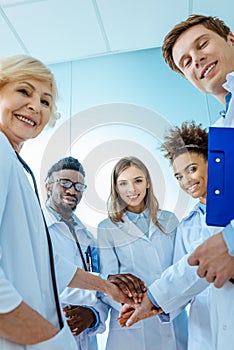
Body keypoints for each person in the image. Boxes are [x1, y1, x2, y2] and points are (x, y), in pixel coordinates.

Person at [0, 54, 144, 350]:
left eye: (45, 101)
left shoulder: (15, 165)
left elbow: (49, 265)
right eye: (24, 91)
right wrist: (49, 339)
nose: (34, 106)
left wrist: (105, 286)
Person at [118, 122, 215, 350]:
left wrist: (154, 299)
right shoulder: (186, 225)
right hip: (204, 328)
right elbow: (181, 276)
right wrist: (151, 303)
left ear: (212, 161)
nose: (186, 181)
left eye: (192, 169)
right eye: (178, 176)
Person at [161, 13, 234, 289]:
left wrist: (231, 242)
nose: (197, 60)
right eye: (186, 62)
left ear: (231, 40)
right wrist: (156, 299)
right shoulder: (222, 128)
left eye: (202, 45)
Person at [97, 156, 188, 350]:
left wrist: (162, 303)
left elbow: (182, 271)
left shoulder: (169, 221)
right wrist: (135, 306)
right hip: (131, 325)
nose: (132, 190)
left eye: (138, 181)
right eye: (123, 183)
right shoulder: (107, 228)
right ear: (116, 188)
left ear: (147, 183)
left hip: (171, 315)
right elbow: (109, 284)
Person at [43, 156, 108, 350]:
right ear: (48, 186)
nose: (72, 190)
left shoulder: (88, 238)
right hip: (48, 332)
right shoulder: (35, 227)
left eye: (79, 186)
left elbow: (102, 290)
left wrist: (93, 315)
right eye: (65, 183)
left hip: (85, 340)